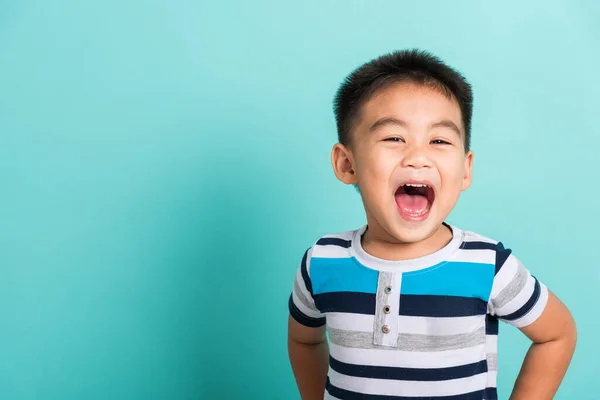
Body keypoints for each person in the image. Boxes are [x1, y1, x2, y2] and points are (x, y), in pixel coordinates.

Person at [287, 49, 577, 400]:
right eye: (394, 138)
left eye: (439, 140)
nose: (418, 157)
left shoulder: (488, 265)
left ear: (466, 168)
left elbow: (557, 334)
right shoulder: (321, 262)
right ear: (347, 164)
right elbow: (304, 340)